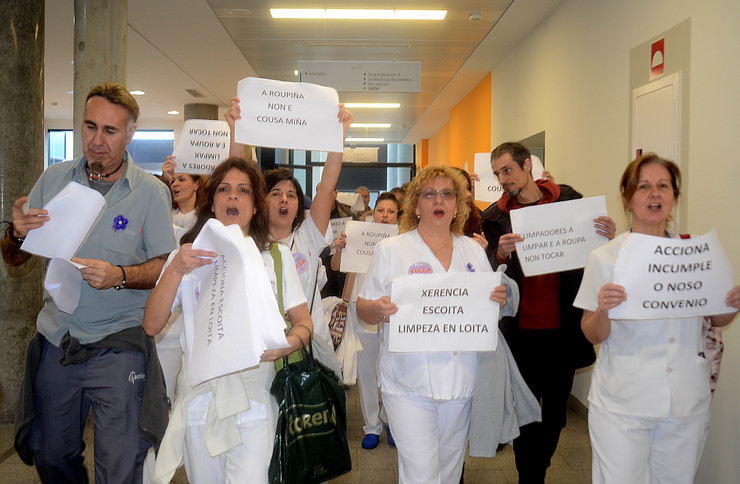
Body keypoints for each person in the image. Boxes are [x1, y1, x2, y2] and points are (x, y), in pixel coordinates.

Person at [1, 82, 175, 483]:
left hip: (119, 343)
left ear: (130, 133)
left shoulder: (150, 193)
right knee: (50, 455)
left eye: (110, 131)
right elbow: (14, 257)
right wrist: (15, 233)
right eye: (89, 127)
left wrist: (121, 276)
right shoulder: (54, 179)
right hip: (59, 339)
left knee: (119, 465)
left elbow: (161, 267)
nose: (97, 141)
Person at [144, 158, 313, 484]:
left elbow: (304, 324)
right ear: (212, 201)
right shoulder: (187, 257)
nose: (232, 197)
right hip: (199, 403)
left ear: (255, 205)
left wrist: (286, 345)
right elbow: (151, 325)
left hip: (254, 402)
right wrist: (177, 269)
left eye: (243, 190)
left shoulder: (276, 258)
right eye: (224, 189)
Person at [573, 154, 740, 484]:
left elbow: (717, 319)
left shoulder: (697, 255)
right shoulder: (605, 257)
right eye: (644, 186)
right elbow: (591, 333)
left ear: (674, 197)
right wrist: (604, 309)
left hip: (684, 402)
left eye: (663, 186)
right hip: (622, 404)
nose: (654, 194)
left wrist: (732, 305)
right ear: (627, 198)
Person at [356, 165, 517, 483]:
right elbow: (363, 307)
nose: (438, 200)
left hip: (460, 382)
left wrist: (496, 298)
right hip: (407, 382)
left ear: (458, 204)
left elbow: (484, 310)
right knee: (420, 473)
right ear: (415, 205)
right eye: (429, 194)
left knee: (448, 471)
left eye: (446, 194)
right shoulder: (392, 250)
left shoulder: (472, 250)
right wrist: (378, 308)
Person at [481, 141, 616, 484]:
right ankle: (531, 477)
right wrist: (499, 255)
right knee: (525, 412)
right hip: (520, 331)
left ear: (528, 166)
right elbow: (485, 273)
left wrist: (607, 237)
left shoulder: (568, 200)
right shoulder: (494, 216)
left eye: (507, 170)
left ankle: (536, 468)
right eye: (497, 173)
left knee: (555, 416)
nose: (502, 179)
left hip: (564, 327)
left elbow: (593, 249)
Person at [226, 99, 353, 356]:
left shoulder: (308, 234)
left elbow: (327, 186)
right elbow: (234, 180)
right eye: (276, 193)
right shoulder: (247, 237)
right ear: (260, 202)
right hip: (259, 347)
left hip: (308, 347)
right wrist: (236, 131)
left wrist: (339, 135)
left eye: (292, 195)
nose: (284, 199)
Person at [331, 192, 400, 449]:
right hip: (362, 311)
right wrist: (340, 248)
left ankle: (391, 421)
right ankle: (372, 426)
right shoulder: (359, 236)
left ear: (397, 215)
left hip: (394, 314)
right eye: (381, 210)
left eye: (390, 211)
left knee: (393, 370)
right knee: (367, 371)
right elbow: (337, 266)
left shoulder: (404, 242)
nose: (384, 215)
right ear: (373, 213)